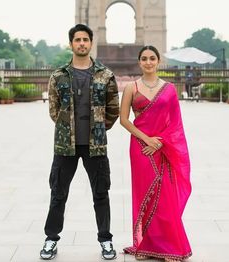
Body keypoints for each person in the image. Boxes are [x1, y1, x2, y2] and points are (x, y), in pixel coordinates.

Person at [40, 24, 119, 260]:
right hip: (66, 145)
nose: (82, 43)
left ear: (91, 43)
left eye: (85, 39)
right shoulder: (59, 75)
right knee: (58, 193)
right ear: (71, 44)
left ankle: (105, 239)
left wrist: (98, 128)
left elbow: (113, 109)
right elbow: (54, 110)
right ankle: (51, 239)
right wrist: (69, 127)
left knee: (101, 193)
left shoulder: (105, 75)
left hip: (95, 145)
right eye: (77, 40)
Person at [120, 45, 192, 261]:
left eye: (152, 58)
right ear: (139, 62)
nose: (148, 62)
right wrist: (147, 139)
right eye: (144, 58)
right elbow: (124, 120)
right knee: (145, 194)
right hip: (140, 148)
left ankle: (168, 246)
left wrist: (159, 142)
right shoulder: (131, 88)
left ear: (158, 61)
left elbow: (175, 123)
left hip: (163, 147)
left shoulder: (169, 89)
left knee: (165, 196)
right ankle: (145, 243)